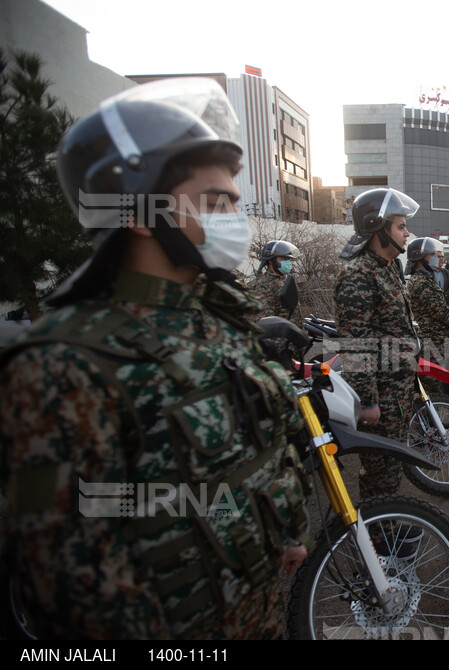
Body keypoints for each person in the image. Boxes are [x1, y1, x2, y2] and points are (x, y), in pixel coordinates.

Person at [0, 79, 310, 639]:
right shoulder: (61, 365)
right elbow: (72, 586)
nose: (233, 218)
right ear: (140, 214)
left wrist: (283, 534)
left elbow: (259, 444)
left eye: (233, 202)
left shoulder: (218, 314)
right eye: (215, 202)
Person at [335, 187, 420, 500]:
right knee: (379, 471)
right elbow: (357, 343)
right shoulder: (357, 273)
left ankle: (386, 524)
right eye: (400, 226)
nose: (407, 232)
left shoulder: (390, 268)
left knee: (392, 465)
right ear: (378, 228)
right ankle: (378, 536)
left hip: (398, 389)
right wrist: (369, 401)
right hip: (381, 397)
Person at [407, 237, 449, 393]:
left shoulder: (426, 278)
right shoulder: (421, 281)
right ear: (421, 258)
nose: (437, 259)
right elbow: (439, 309)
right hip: (431, 340)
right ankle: (431, 415)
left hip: (437, 338)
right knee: (432, 385)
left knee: (438, 381)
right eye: (432, 255)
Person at [247, 239, 300, 321]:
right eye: (283, 258)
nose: (287, 262)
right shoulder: (263, 285)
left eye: (288, 259)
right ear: (271, 261)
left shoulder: (285, 281)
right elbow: (265, 322)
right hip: (279, 332)